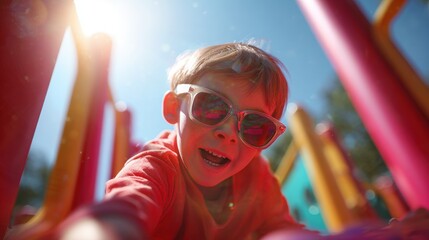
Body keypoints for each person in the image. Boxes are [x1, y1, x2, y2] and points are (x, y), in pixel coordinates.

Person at [10, 42, 429, 240]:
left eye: (255, 128)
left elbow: (281, 234)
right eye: (212, 107)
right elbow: (123, 210)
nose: (230, 132)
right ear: (174, 108)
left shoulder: (257, 179)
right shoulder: (158, 166)